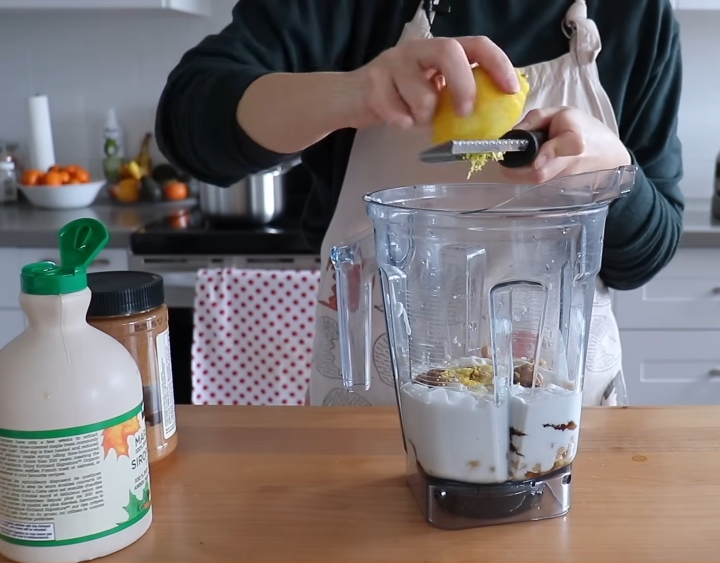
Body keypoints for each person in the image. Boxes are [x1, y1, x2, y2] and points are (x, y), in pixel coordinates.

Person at [155, 0, 685, 408]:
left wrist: (617, 179)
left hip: (560, 427)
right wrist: (353, 92)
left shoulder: (635, 14)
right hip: (373, 426)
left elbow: (644, 257)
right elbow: (188, 121)